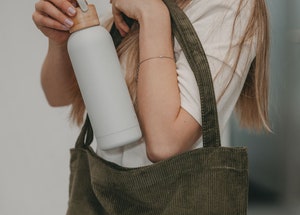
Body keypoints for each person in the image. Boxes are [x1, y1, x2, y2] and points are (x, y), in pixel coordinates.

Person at [32, 0, 269, 167]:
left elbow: (165, 144)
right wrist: (60, 40)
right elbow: (58, 96)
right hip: (109, 212)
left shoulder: (231, 6)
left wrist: (152, 14)